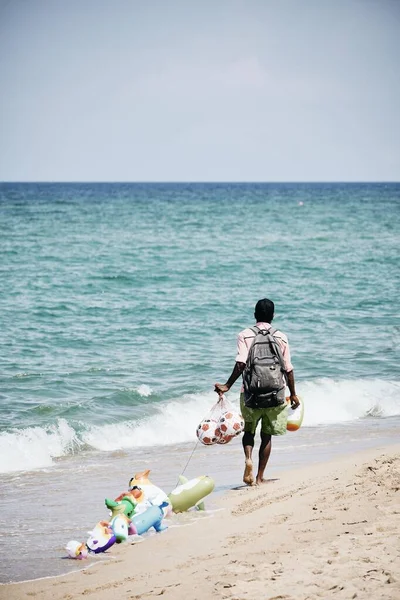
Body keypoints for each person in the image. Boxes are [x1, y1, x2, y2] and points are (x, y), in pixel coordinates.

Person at [214, 298, 299, 486]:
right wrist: (292, 394)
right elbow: (288, 369)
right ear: (273, 316)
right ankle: (260, 477)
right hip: (275, 394)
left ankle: (248, 459)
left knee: (249, 431)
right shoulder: (281, 337)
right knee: (266, 435)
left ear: (254, 315)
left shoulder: (245, 335)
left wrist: (227, 385)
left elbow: (241, 363)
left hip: (250, 394)